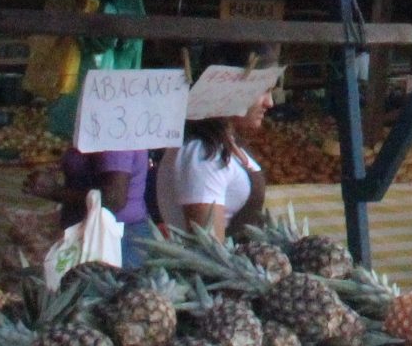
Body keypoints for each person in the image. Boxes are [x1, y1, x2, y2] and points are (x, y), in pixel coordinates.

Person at [154, 92, 268, 239]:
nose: (269, 102)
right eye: (263, 91)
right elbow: (209, 247)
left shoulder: (225, 143)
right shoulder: (202, 154)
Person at [24, 144, 154, 268]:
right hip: (100, 233)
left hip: (113, 239)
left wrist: (54, 191)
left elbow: (113, 199)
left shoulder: (115, 137)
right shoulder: (100, 133)